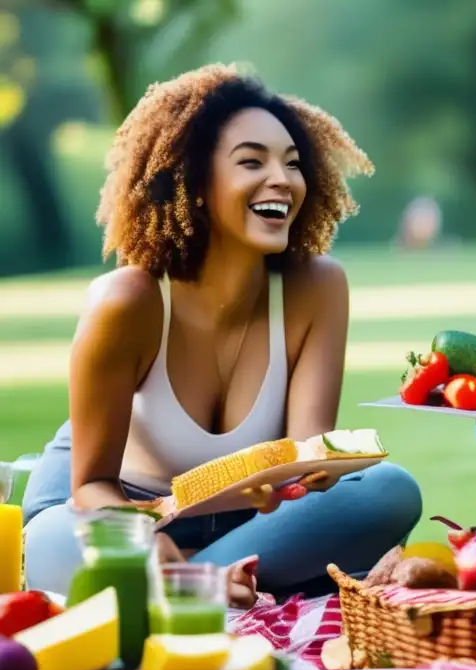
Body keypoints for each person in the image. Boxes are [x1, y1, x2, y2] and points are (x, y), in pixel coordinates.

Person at [21, 65, 422, 607]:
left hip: (243, 520)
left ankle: (192, 584)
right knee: (51, 543)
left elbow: (304, 461)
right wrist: (144, 541)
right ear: (196, 182)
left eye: (293, 163)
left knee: (390, 492)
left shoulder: (318, 286)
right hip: (115, 508)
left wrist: (307, 475)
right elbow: (90, 485)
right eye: (252, 161)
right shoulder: (129, 302)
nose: (281, 179)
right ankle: (211, 582)